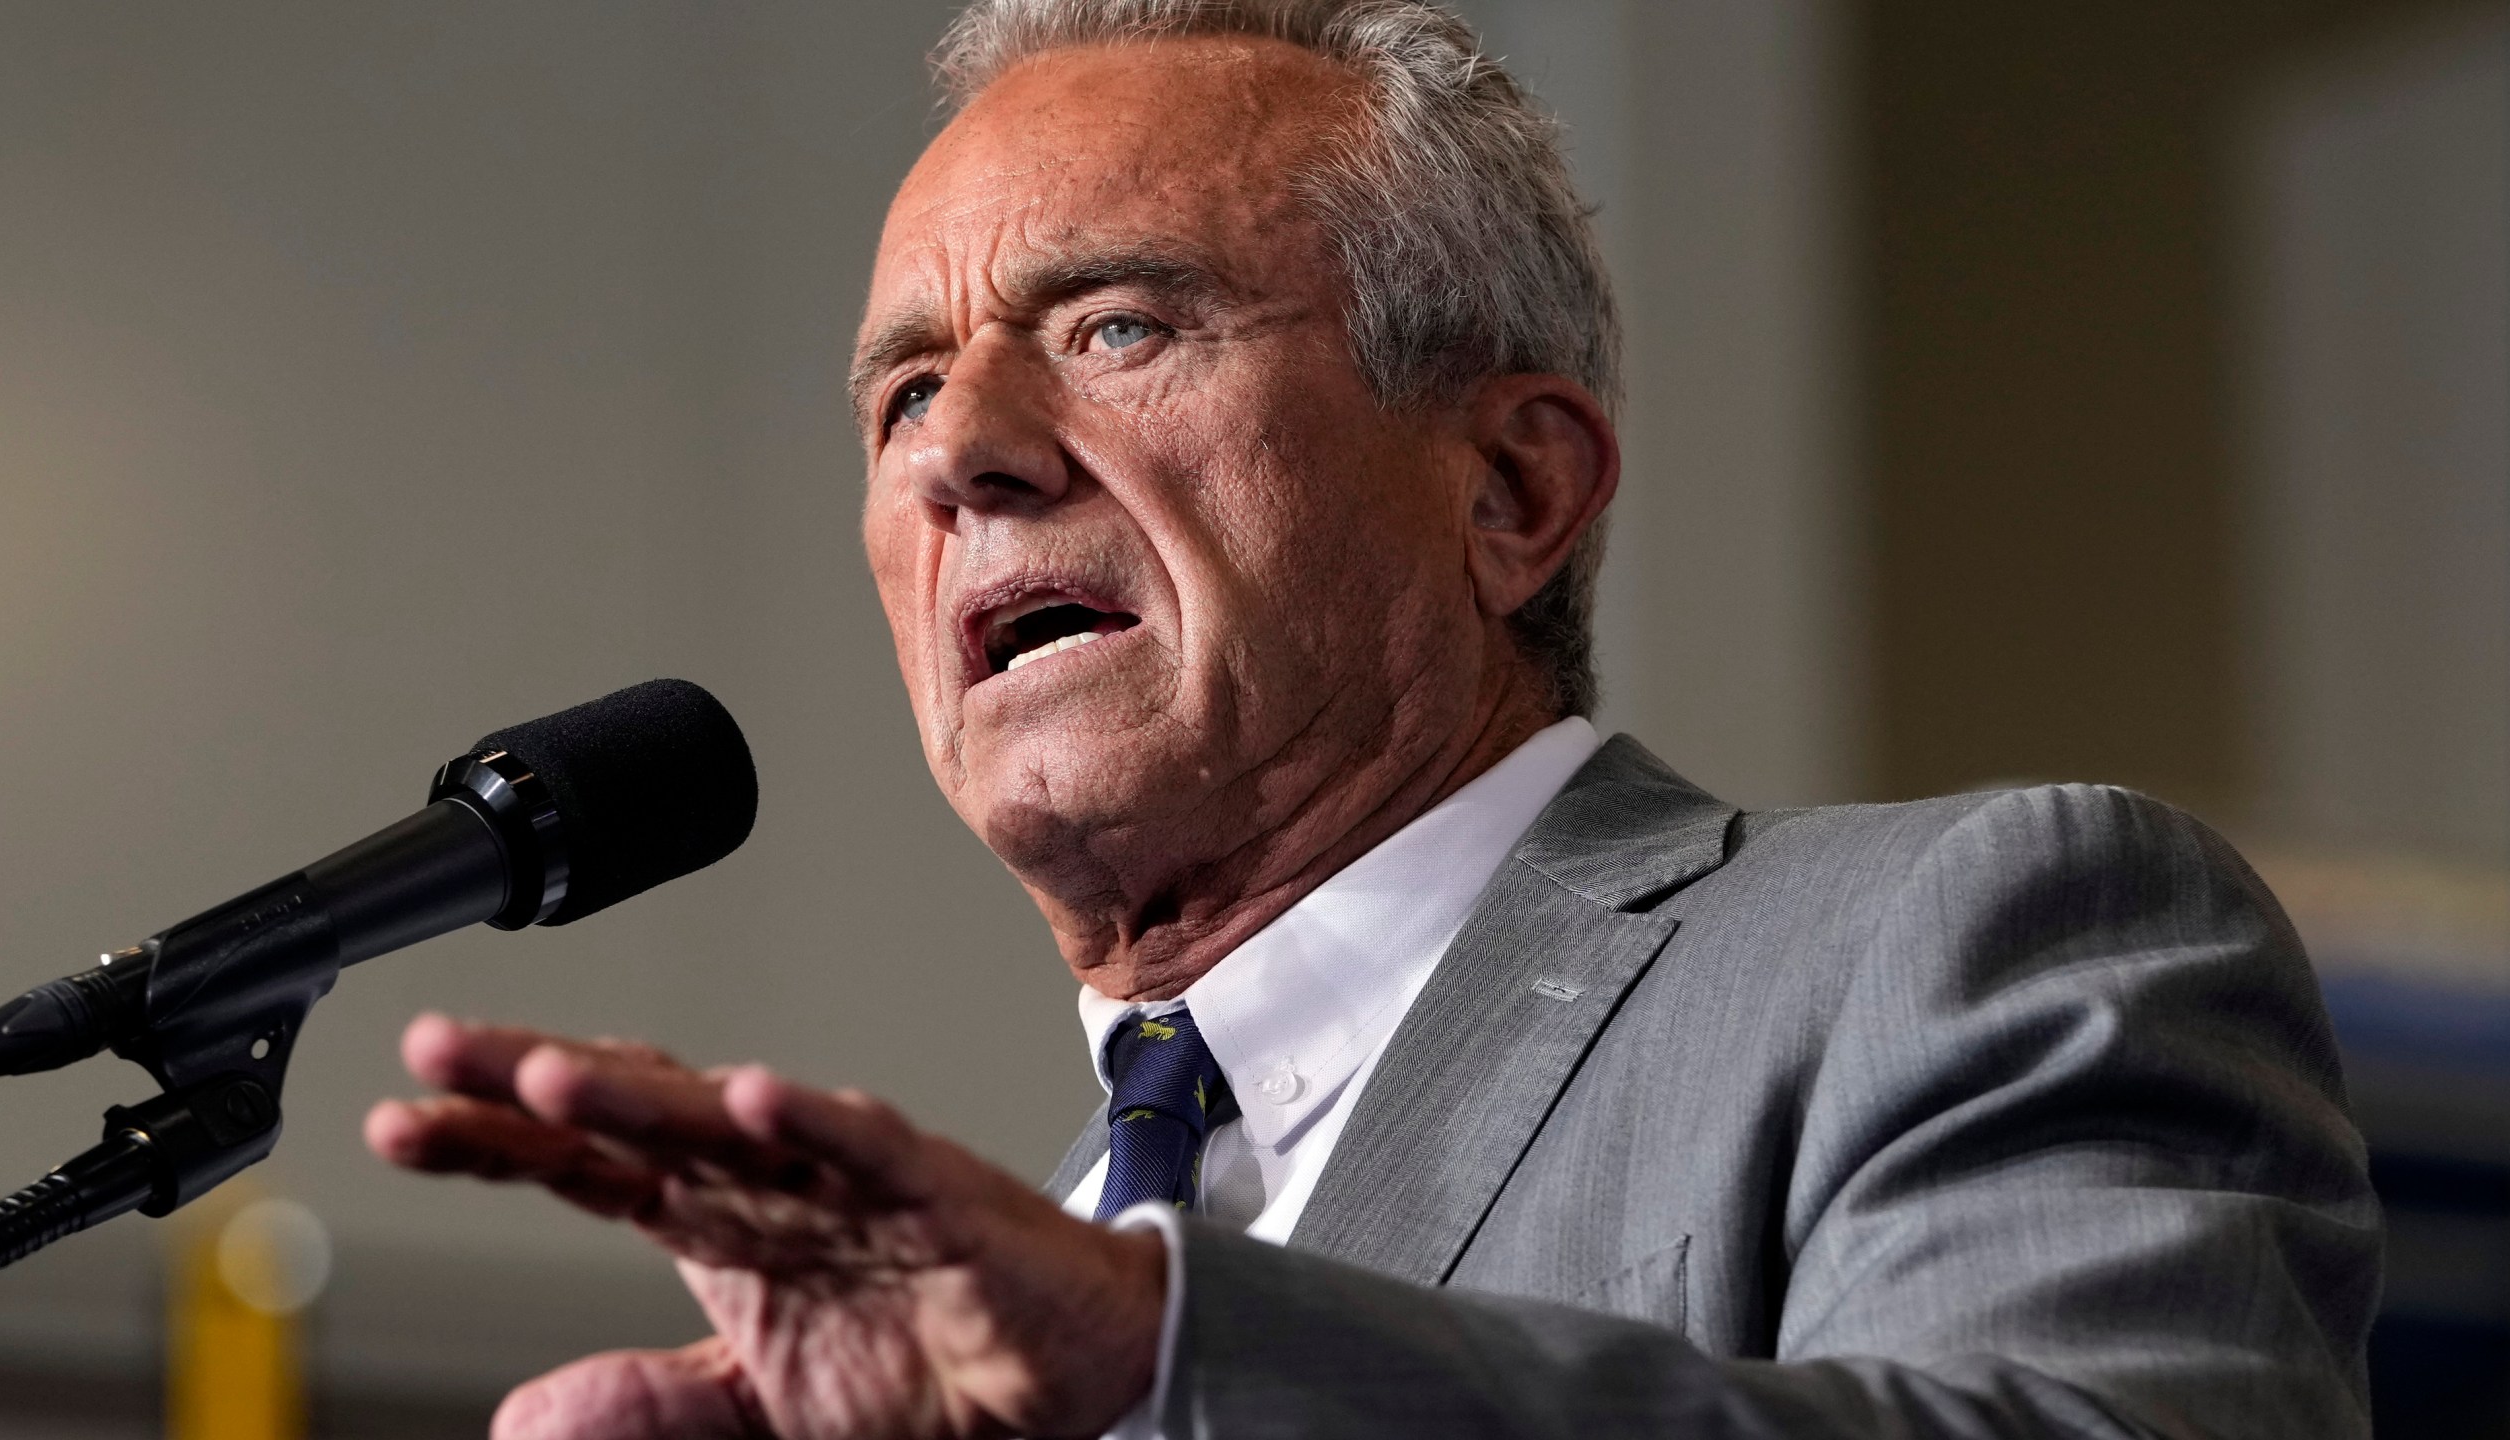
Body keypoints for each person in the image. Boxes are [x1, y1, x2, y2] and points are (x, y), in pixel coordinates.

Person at [364, 3, 2381, 1436]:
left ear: (1509, 489)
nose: (961, 451)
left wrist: (1174, 1366)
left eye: (1115, 326)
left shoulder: (1975, 937)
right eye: (899, 395)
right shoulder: (1034, 1270)